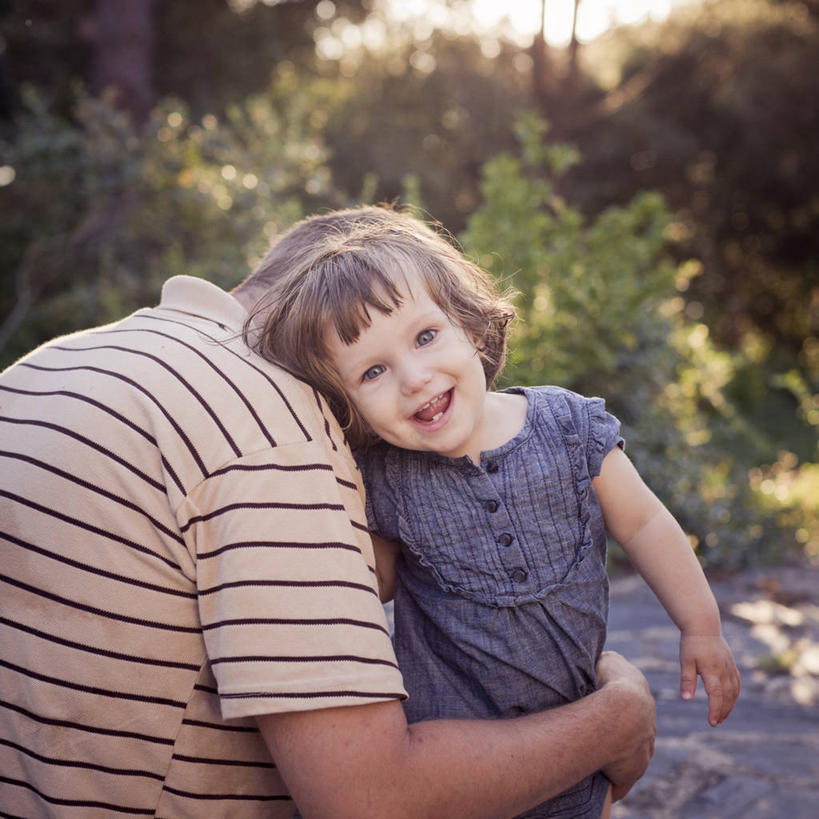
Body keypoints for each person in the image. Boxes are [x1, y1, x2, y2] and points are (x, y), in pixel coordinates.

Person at [0, 239, 656, 816]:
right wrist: (615, 721)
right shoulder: (270, 428)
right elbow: (368, 801)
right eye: (369, 370)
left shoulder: (48, 366)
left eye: (425, 334)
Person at [252, 204, 741, 819]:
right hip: (456, 767)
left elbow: (644, 522)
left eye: (426, 337)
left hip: (571, 750)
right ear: (348, 408)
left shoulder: (566, 425)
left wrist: (701, 625)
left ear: (470, 326)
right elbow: (360, 588)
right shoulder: (384, 481)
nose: (414, 377)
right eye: (373, 371)